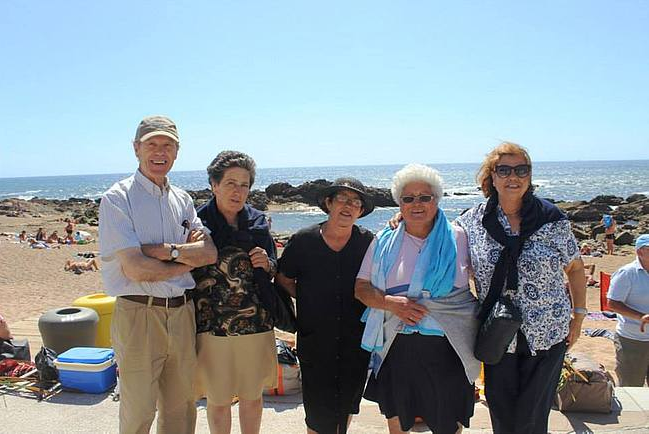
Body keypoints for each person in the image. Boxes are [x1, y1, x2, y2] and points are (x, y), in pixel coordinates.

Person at [455, 142, 587, 434]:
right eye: (504, 170)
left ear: (529, 176)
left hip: (548, 332)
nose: (512, 176)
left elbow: (576, 269)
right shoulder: (471, 222)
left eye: (521, 170)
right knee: (502, 416)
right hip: (497, 335)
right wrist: (401, 219)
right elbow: (436, 237)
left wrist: (578, 316)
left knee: (532, 418)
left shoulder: (552, 219)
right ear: (491, 177)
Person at [98, 115, 217, 434]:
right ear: (137, 148)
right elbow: (135, 268)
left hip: (182, 314)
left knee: (181, 412)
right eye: (152, 143)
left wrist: (162, 251)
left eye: (168, 145)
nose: (159, 151)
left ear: (177, 152)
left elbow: (208, 253)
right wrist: (185, 259)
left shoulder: (183, 200)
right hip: (138, 313)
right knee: (138, 412)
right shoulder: (117, 198)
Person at [356, 164, 481, 434]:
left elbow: (486, 279)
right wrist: (390, 303)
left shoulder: (460, 237)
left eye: (425, 197)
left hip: (449, 349)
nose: (417, 204)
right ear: (398, 204)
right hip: (397, 348)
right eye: (408, 198)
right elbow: (361, 288)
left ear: (437, 200)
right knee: (398, 424)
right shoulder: (383, 240)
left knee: (448, 426)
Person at [276, 178, 375, 434]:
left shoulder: (369, 242)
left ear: (361, 211)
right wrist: (309, 297)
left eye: (355, 202)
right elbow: (284, 277)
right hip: (315, 339)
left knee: (347, 407)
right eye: (342, 198)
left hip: (356, 340)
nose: (348, 205)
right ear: (329, 203)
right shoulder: (303, 240)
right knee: (318, 413)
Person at [191, 150, 277, 434]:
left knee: (252, 396)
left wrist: (268, 263)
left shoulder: (257, 221)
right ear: (214, 185)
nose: (238, 191)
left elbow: (273, 266)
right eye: (230, 183)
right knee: (218, 399)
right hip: (212, 324)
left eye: (244, 184)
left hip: (255, 322)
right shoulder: (196, 223)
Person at [606, 234, 649, 387]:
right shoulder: (627, 273)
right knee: (631, 386)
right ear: (640, 252)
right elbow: (612, 303)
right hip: (632, 340)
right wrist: (641, 316)